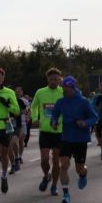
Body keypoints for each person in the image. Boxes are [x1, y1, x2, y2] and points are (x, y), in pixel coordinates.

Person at [49, 76, 99, 203]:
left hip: (81, 139)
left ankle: (83, 175)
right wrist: (53, 122)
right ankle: (66, 194)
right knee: (63, 165)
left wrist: (85, 123)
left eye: (69, 88)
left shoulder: (83, 102)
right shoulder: (61, 102)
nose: (67, 91)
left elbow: (94, 117)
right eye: (65, 88)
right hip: (66, 138)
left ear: (74, 87)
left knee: (79, 168)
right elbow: (54, 115)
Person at [30, 68, 65, 196]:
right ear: (47, 80)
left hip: (59, 131)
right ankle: (46, 175)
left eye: (56, 79)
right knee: (44, 160)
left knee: (56, 161)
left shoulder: (63, 92)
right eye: (51, 79)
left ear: (60, 79)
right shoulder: (40, 92)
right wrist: (34, 118)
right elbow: (33, 106)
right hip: (45, 130)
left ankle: (55, 186)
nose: (53, 81)